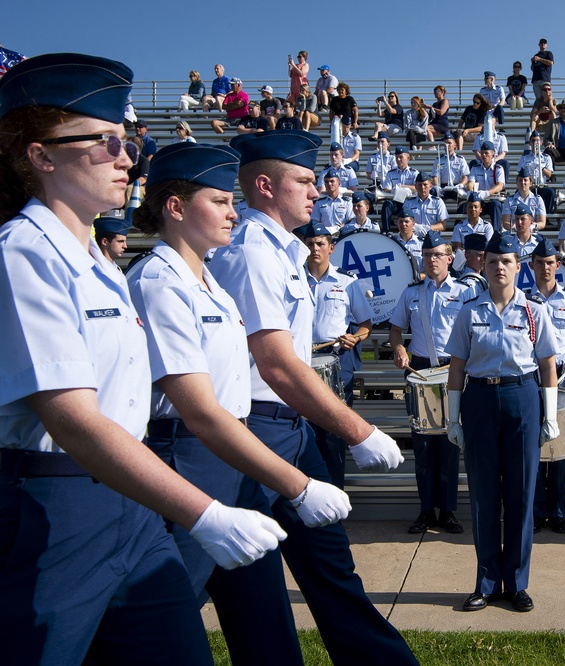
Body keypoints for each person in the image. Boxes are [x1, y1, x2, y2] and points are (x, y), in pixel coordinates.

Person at [0, 51, 283, 666]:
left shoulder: (100, 264)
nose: (127, 158)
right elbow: (72, 417)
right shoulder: (25, 253)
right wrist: (203, 510)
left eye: (127, 142)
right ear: (42, 157)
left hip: (128, 497)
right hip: (54, 504)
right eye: (103, 143)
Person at [130, 143, 356, 665]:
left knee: (265, 620)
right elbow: (200, 409)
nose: (235, 212)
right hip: (188, 457)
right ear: (176, 207)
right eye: (219, 200)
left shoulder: (211, 284)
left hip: (231, 453)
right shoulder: (157, 281)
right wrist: (297, 485)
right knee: (165, 623)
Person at [209, 130, 417, 664]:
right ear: (264, 185)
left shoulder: (283, 253)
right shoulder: (253, 255)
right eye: (302, 180)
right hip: (253, 430)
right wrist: (359, 430)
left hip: (289, 427)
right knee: (257, 598)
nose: (316, 190)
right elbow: (276, 363)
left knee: (331, 569)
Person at [445, 232, 559, 613]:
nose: (499, 268)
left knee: (521, 494)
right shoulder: (469, 311)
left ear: (517, 266)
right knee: (483, 496)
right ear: (484, 264)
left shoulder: (533, 311)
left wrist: (551, 413)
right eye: (492, 261)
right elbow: (457, 366)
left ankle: (517, 582)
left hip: (521, 398)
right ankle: (487, 581)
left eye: (506, 261)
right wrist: (452, 417)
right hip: (479, 400)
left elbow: (547, 364)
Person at [389, 232, 467, 535]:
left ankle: (447, 511)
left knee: (449, 442)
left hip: (453, 371)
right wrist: (398, 347)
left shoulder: (463, 292)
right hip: (420, 371)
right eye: (426, 255)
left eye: (437, 255)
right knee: (422, 444)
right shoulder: (411, 293)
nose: (431, 260)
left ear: (449, 258)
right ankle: (425, 510)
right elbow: (396, 330)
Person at [301, 221, 374, 488]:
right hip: (300, 363)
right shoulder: (293, 279)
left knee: (334, 436)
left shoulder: (347, 282)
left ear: (331, 248)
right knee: (304, 435)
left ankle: (335, 500)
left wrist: (354, 338)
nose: (314, 249)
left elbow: (366, 325)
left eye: (320, 243)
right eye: (309, 244)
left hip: (336, 363)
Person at [527, 240, 565, 534]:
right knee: (536, 446)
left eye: (550, 262)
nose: (545, 267)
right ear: (531, 266)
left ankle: (558, 512)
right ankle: (538, 512)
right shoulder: (522, 300)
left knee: (560, 447)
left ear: (558, 265)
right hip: (533, 376)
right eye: (539, 262)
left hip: (564, 376)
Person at [464, 140, 505, 231]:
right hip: (479, 201)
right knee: (466, 206)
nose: (483, 155)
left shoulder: (498, 169)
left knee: (496, 205)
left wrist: (487, 193)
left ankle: (496, 233)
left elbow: (500, 186)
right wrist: (471, 191)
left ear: (493, 155)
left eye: (486, 153)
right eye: (482, 153)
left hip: (492, 200)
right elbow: (470, 182)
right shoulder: (475, 168)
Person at [379, 146, 419, 233]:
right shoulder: (391, 173)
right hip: (396, 201)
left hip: (409, 201)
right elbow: (386, 189)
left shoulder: (414, 173)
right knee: (387, 204)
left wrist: (403, 187)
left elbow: (418, 187)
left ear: (408, 158)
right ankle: (386, 231)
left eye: (401, 157)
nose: (398, 159)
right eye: (397, 157)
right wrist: (395, 190)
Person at [402, 172, 448, 236]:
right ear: (415, 186)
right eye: (420, 185)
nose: (422, 187)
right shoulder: (408, 203)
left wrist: (428, 228)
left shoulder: (438, 202)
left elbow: (443, 225)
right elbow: (403, 221)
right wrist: (415, 226)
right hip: (414, 237)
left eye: (425, 184)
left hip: (432, 238)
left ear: (430, 186)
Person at [431, 132, 470, 198]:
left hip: (456, 187)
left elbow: (465, 177)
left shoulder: (460, 159)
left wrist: (461, 185)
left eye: (449, 143)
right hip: (443, 187)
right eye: (445, 143)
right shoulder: (438, 160)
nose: (447, 145)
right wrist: (437, 187)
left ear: (455, 145)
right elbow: (435, 176)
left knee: (466, 196)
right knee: (432, 192)